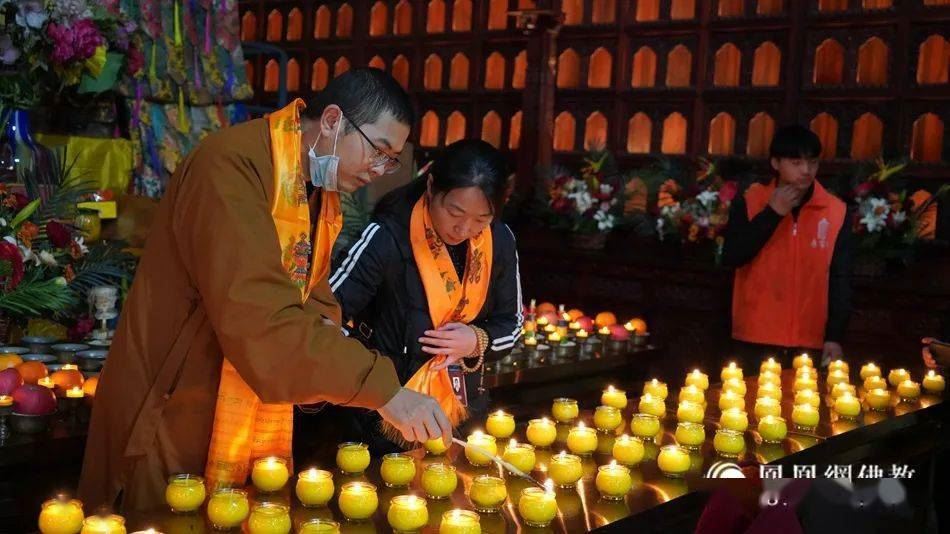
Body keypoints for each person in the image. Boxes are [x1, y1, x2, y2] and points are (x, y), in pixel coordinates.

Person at [79, 68, 451, 511]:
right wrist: (382, 390)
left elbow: (312, 295)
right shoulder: (230, 166)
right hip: (174, 395)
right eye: (378, 151)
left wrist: (332, 349)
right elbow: (259, 314)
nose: (378, 170)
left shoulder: (316, 186)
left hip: (244, 391)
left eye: (390, 161)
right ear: (332, 120)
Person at [323, 139, 522, 455]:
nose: (464, 228)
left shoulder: (500, 240)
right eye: (454, 211)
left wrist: (476, 340)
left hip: (462, 410)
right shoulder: (387, 236)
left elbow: (511, 325)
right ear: (431, 187)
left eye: (482, 219)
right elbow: (325, 314)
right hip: (384, 415)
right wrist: (373, 382)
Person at [722, 125, 852, 367]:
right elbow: (732, 256)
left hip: (809, 339)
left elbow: (840, 278)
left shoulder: (836, 211)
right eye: (796, 162)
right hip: (755, 335)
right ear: (775, 163)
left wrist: (834, 336)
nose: (806, 170)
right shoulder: (751, 201)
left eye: (812, 162)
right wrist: (772, 213)